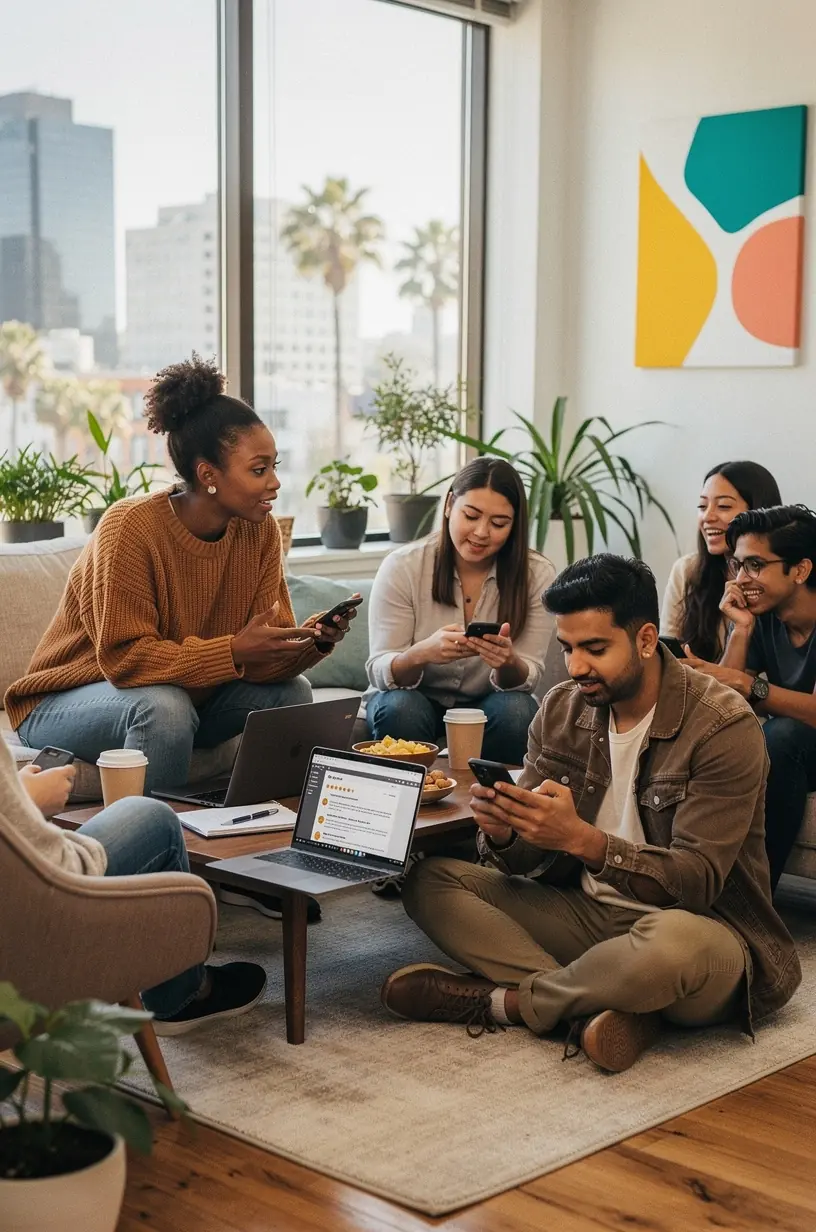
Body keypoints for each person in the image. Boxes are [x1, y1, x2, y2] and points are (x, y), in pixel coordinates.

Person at [380, 555, 799, 1073]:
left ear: (646, 640)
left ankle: (508, 1003)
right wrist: (509, 834)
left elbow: (696, 885)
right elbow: (525, 863)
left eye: (595, 649)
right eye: (568, 648)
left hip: (703, 931)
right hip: (588, 914)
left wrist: (584, 841)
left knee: (673, 947)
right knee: (430, 880)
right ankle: (606, 1002)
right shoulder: (561, 708)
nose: (576, 666)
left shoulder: (723, 726)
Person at [5, 355, 354, 795]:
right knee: (164, 708)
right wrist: (231, 651)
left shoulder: (259, 531)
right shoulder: (130, 527)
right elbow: (125, 661)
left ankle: (250, 833)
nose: (275, 484)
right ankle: (164, 842)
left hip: (188, 698)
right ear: (208, 474)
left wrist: (310, 643)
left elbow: (267, 660)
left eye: (275, 466)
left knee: (291, 695)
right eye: (258, 469)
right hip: (66, 701)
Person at [4, 738, 266, 1035]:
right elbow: (58, 872)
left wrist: (17, 797)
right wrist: (28, 805)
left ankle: (253, 885)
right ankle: (182, 995)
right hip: (26, 935)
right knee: (155, 818)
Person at [364, 458, 555, 766]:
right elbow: (379, 670)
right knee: (400, 708)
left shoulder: (537, 575)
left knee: (518, 711)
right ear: (450, 504)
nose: (481, 533)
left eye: (498, 523)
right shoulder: (403, 566)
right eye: (471, 515)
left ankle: (489, 804)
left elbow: (528, 678)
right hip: (413, 698)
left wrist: (508, 662)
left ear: (515, 524)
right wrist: (421, 654)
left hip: (488, 704)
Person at [684, 505, 816, 892]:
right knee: (727, 737)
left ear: (801, 570)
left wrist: (749, 685)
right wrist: (739, 629)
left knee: (781, 736)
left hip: (799, 739)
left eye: (755, 565)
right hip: (797, 745)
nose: (741, 580)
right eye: (737, 566)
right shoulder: (764, 617)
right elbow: (722, 707)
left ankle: (755, 900)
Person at [660, 461, 781, 660]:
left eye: (723, 506)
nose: (707, 517)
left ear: (758, 512)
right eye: (702, 506)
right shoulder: (687, 570)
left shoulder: (783, 575)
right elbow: (669, 656)